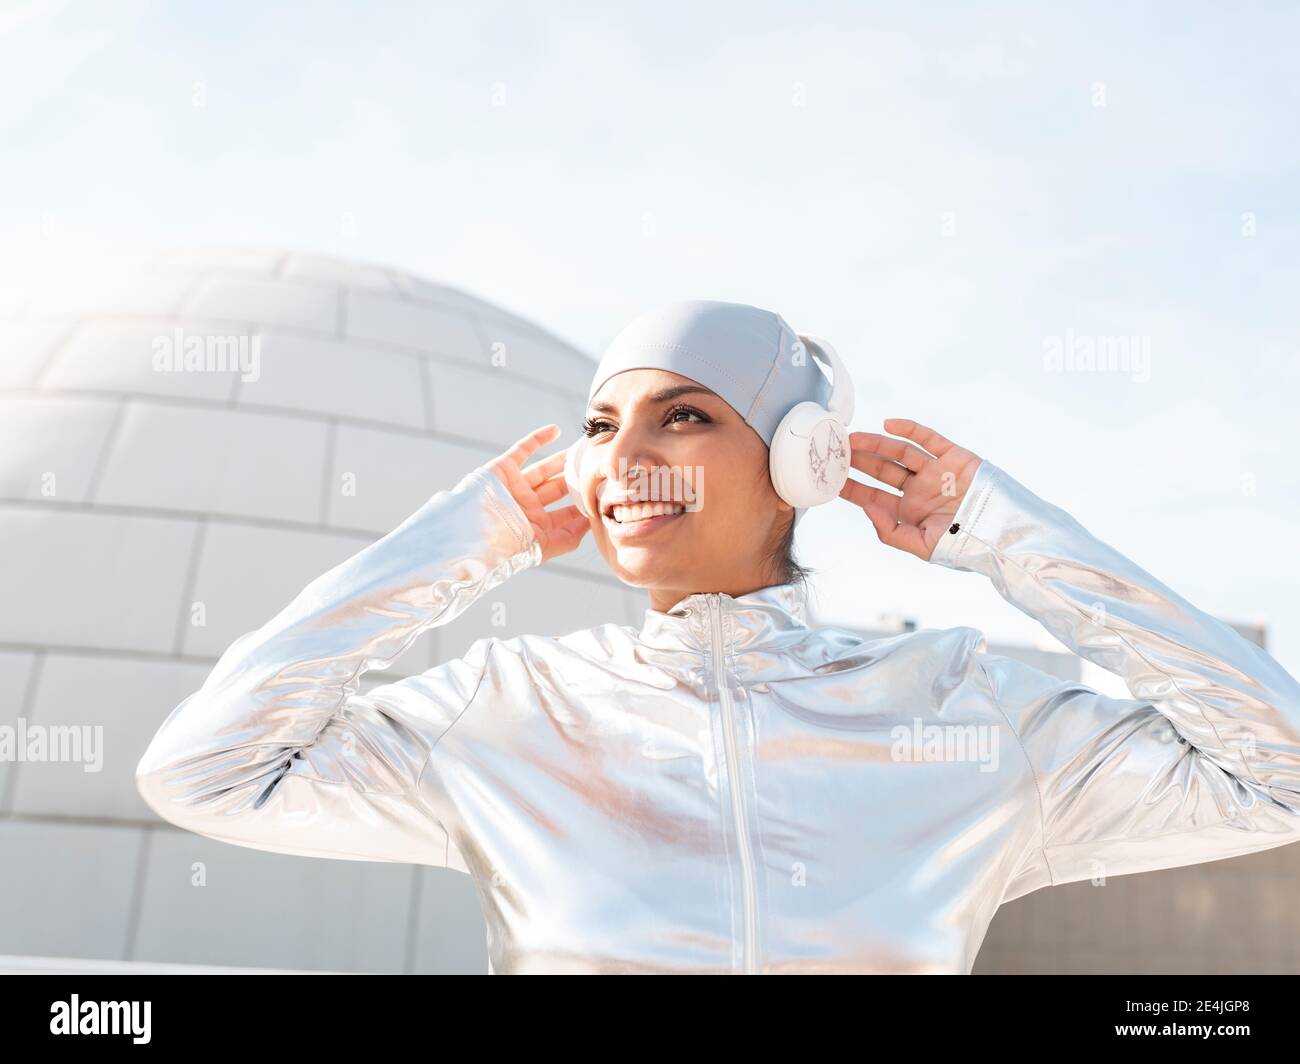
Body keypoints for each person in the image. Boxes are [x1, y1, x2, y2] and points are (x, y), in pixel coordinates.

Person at [135, 299, 1300, 975]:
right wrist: (456, 548)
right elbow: (206, 770)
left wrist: (1007, 536)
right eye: (599, 426)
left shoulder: (963, 705)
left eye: (683, 415)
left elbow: (1279, 769)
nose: (621, 456)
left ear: (802, 459)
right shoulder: (508, 705)